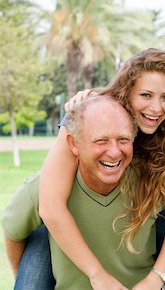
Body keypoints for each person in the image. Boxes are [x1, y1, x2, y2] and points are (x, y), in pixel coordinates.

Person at [32, 48, 165, 289]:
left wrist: (157, 277)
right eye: (146, 95)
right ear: (127, 92)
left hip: (148, 217)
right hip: (73, 221)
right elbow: (51, 207)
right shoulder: (87, 116)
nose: (156, 108)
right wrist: (97, 275)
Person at [3, 95, 145, 288]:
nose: (114, 152)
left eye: (123, 139)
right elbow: (13, 232)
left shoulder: (151, 182)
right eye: (101, 141)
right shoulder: (41, 189)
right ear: (73, 144)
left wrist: (161, 275)